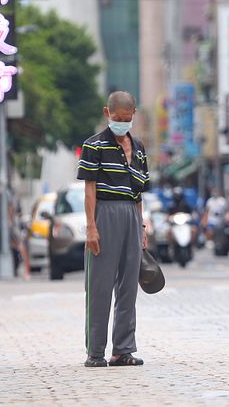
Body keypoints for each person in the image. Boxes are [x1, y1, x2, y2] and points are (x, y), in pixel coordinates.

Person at [77, 91, 151, 368]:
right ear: (107, 114)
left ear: (134, 115)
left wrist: (141, 226)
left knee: (128, 286)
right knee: (99, 287)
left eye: (127, 118)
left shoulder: (141, 148)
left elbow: (139, 193)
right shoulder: (94, 146)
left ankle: (123, 350)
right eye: (117, 118)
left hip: (131, 214)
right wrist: (91, 227)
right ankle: (95, 352)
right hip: (104, 214)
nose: (122, 123)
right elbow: (89, 190)